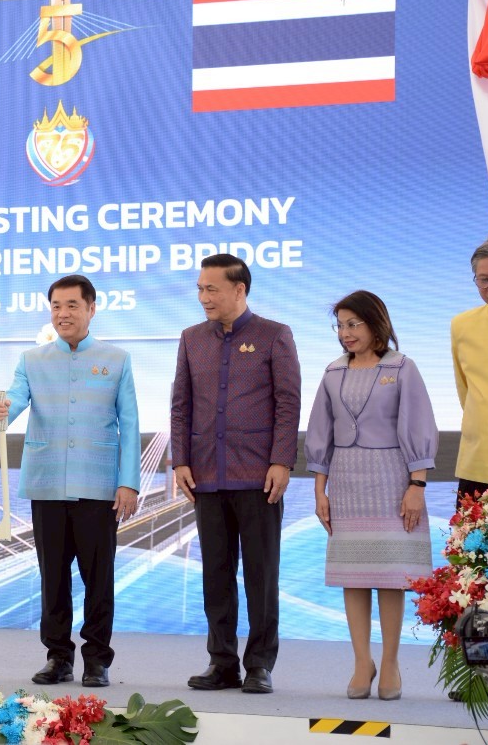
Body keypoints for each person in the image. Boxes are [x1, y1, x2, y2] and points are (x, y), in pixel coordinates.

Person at [0, 274, 140, 688]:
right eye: (56, 306)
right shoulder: (31, 360)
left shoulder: (116, 360)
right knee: (52, 577)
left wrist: (128, 482)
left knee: (98, 579)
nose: (63, 313)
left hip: (99, 486)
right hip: (48, 483)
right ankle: (58, 657)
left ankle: (97, 660)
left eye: (72, 305)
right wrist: (1, 410)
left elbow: (129, 423)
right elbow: (14, 399)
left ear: (91, 308)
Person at [171, 254, 301, 695]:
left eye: (212, 289)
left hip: (258, 475)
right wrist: (180, 460)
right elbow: (181, 405)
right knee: (216, 574)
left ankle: (260, 664)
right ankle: (221, 661)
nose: (204, 297)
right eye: (200, 289)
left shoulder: (274, 335)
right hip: (206, 474)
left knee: (261, 575)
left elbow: (288, 402)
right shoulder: (191, 339)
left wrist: (282, 460)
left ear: (239, 289)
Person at [305, 291, 435, 702]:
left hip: (392, 478)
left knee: (390, 575)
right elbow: (321, 433)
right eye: (340, 325)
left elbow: (418, 425)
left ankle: (391, 661)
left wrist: (417, 486)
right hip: (346, 480)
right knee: (354, 575)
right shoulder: (332, 372)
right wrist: (320, 490)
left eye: (353, 324)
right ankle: (363, 661)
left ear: (375, 323)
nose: (345, 333)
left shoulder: (401, 367)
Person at [452, 237, 488, 506]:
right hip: (477, 462)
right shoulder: (462, 325)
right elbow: (465, 391)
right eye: (484, 280)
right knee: (470, 534)